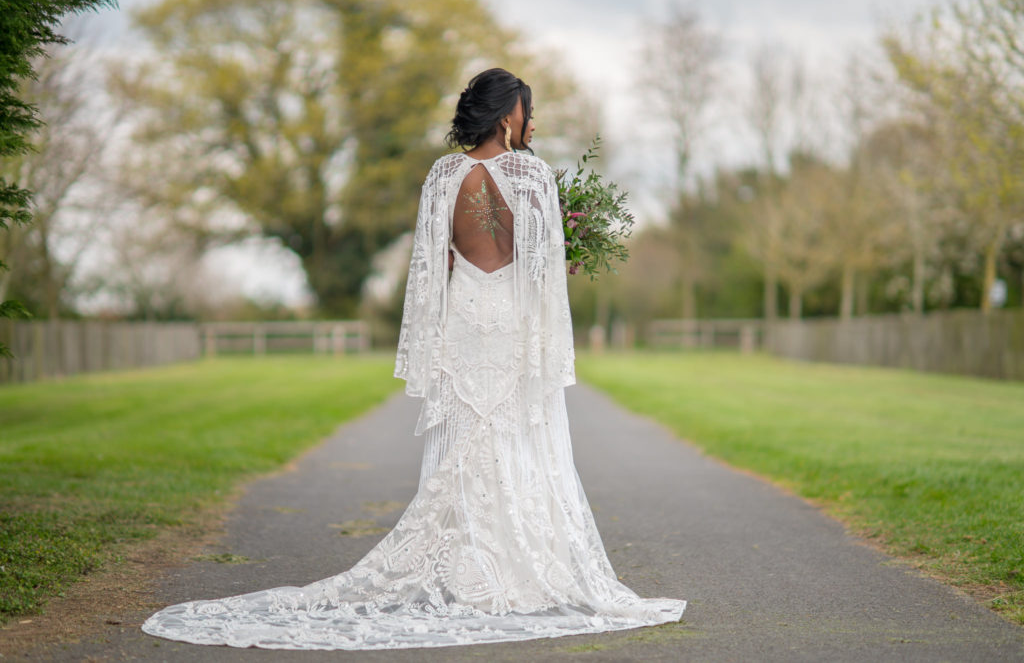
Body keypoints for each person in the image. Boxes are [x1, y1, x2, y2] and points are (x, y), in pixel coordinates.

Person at [141, 67, 686, 651]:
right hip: (513, 324)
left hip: (462, 322)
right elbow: (544, 273)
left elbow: (431, 269)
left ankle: (467, 570)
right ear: (507, 117)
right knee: (516, 439)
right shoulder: (532, 177)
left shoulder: (443, 176)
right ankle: (518, 568)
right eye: (528, 111)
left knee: (467, 441)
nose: (534, 122)